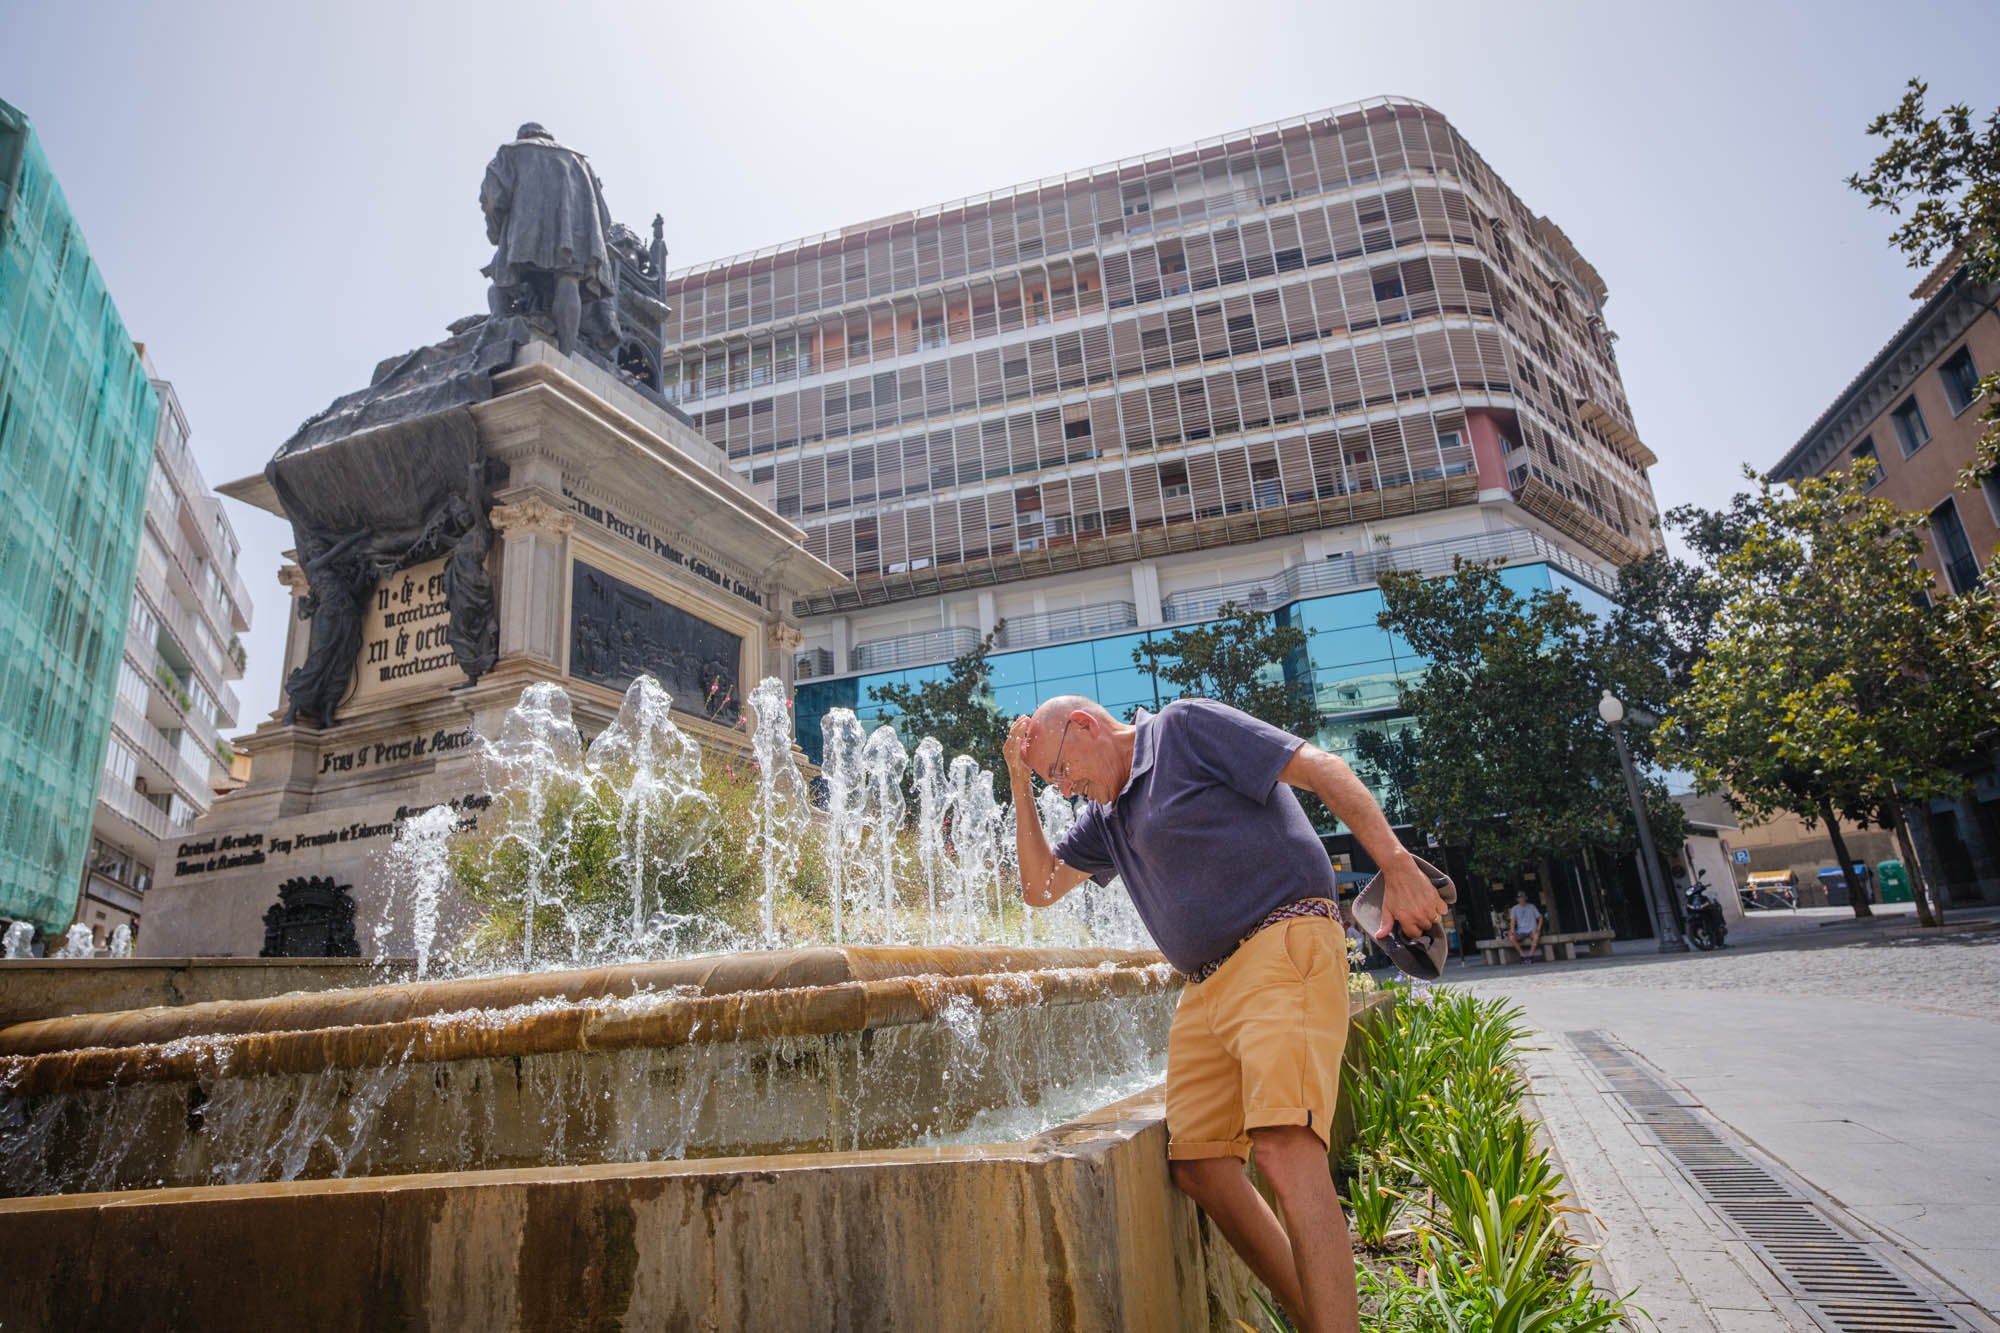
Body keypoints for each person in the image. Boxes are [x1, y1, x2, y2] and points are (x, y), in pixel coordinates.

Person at [1004, 694, 1447, 1333]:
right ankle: (1318, 1319)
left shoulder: (1183, 729)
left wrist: (1398, 868)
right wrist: (1021, 783)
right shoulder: (1107, 818)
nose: (1067, 790)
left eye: (1062, 771)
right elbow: (1038, 887)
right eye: (1053, 782)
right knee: (1202, 1164)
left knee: (1285, 1148)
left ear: (1085, 726)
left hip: (1282, 939)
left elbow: (1323, 768)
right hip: (1206, 985)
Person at [1506, 889, 1544, 963]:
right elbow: (1512, 921)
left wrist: (1538, 928)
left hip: (1532, 930)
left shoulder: (1532, 906)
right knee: (1511, 937)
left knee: (1536, 936)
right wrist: (1512, 930)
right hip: (1521, 931)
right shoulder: (1514, 908)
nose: (1521, 899)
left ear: (1525, 898)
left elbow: (1540, 918)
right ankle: (1522, 955)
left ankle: (1531, 956)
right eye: (1519, 897)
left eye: (1522, 897)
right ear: (1517, 899)